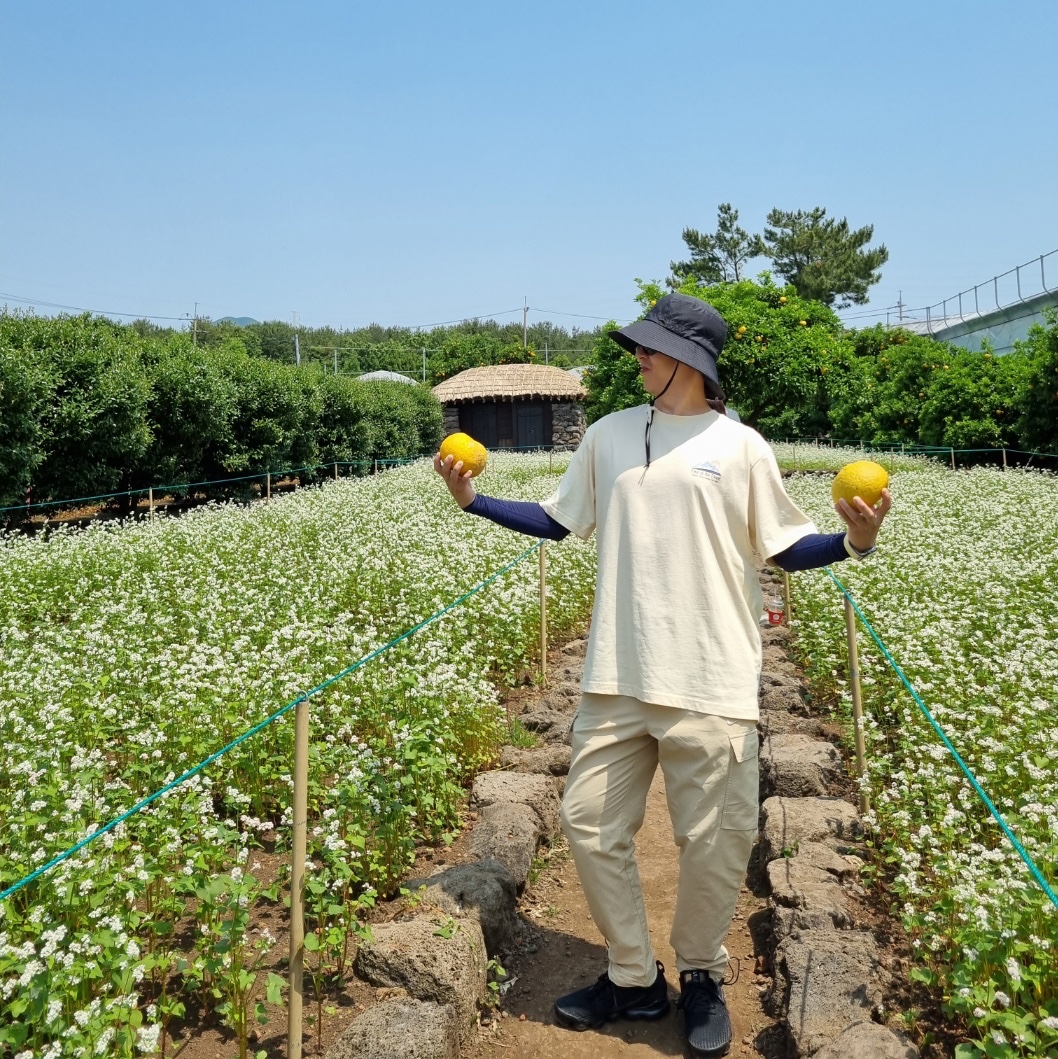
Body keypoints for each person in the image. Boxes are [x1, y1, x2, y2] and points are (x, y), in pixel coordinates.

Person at [434, 293, 891, 1058]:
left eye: (649, 347)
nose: (637, 357)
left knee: (714, 839)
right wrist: (472, 500)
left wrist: (853, 543)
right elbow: (558, 518)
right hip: (618, 671)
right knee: (587, 821)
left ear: (692, 360)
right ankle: (633, 976)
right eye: (637, 346)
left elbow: (782, 546)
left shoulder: (741, 444)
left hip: (711, 673)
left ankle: (704, 974)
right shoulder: (611, 435)